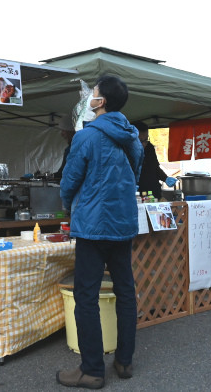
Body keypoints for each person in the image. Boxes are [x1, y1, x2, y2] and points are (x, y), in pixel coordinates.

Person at [57, 75, 144, 389]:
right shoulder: (131, 136)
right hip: (122, 223)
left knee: (86, 296)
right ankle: (124, 360)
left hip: (93, 226)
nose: (89, 97)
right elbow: (133, 175)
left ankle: (92, 370)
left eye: (93, 93)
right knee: (125, 292)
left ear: (101, 101)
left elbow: (69, 182)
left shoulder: (87, 137)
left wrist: (70, 205)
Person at [131, 121, 176, 200]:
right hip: (136, 195)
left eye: (146, 140)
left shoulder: (149, 148)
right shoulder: (124, 151)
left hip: (153, 193)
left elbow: (155, 168)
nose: (143, 144)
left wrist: (165, 178)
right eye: (140, 141)